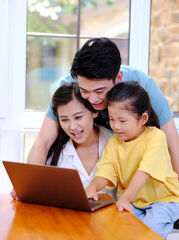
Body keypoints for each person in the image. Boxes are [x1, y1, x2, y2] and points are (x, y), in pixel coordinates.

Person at [27, 37, 179, 178]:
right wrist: (29, 185)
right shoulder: (71, 88)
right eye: (85, 91)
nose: (92, 100)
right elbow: (43, 141)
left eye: (100, 91)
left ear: (118, 78)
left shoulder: (143, 86)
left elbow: (173, 146)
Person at [86, 81, 179, 239]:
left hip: (164, 200)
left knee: (147, 234)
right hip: (134, 202)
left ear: (143, 118)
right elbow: (106, 172)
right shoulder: (114, 143)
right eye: (112, 119)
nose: (116, 126)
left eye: (122, 121)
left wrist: (124, 199)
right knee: (119, 230)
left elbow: (144, 172)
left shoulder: (156, 137)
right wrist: (93, 187)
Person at [11, 82, 114, 200]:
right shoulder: (55, 153)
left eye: (78, 117)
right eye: (64, 120)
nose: (72, 127)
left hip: (111, 216)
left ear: (94, 112)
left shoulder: (114, 143)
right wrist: (25, 190)